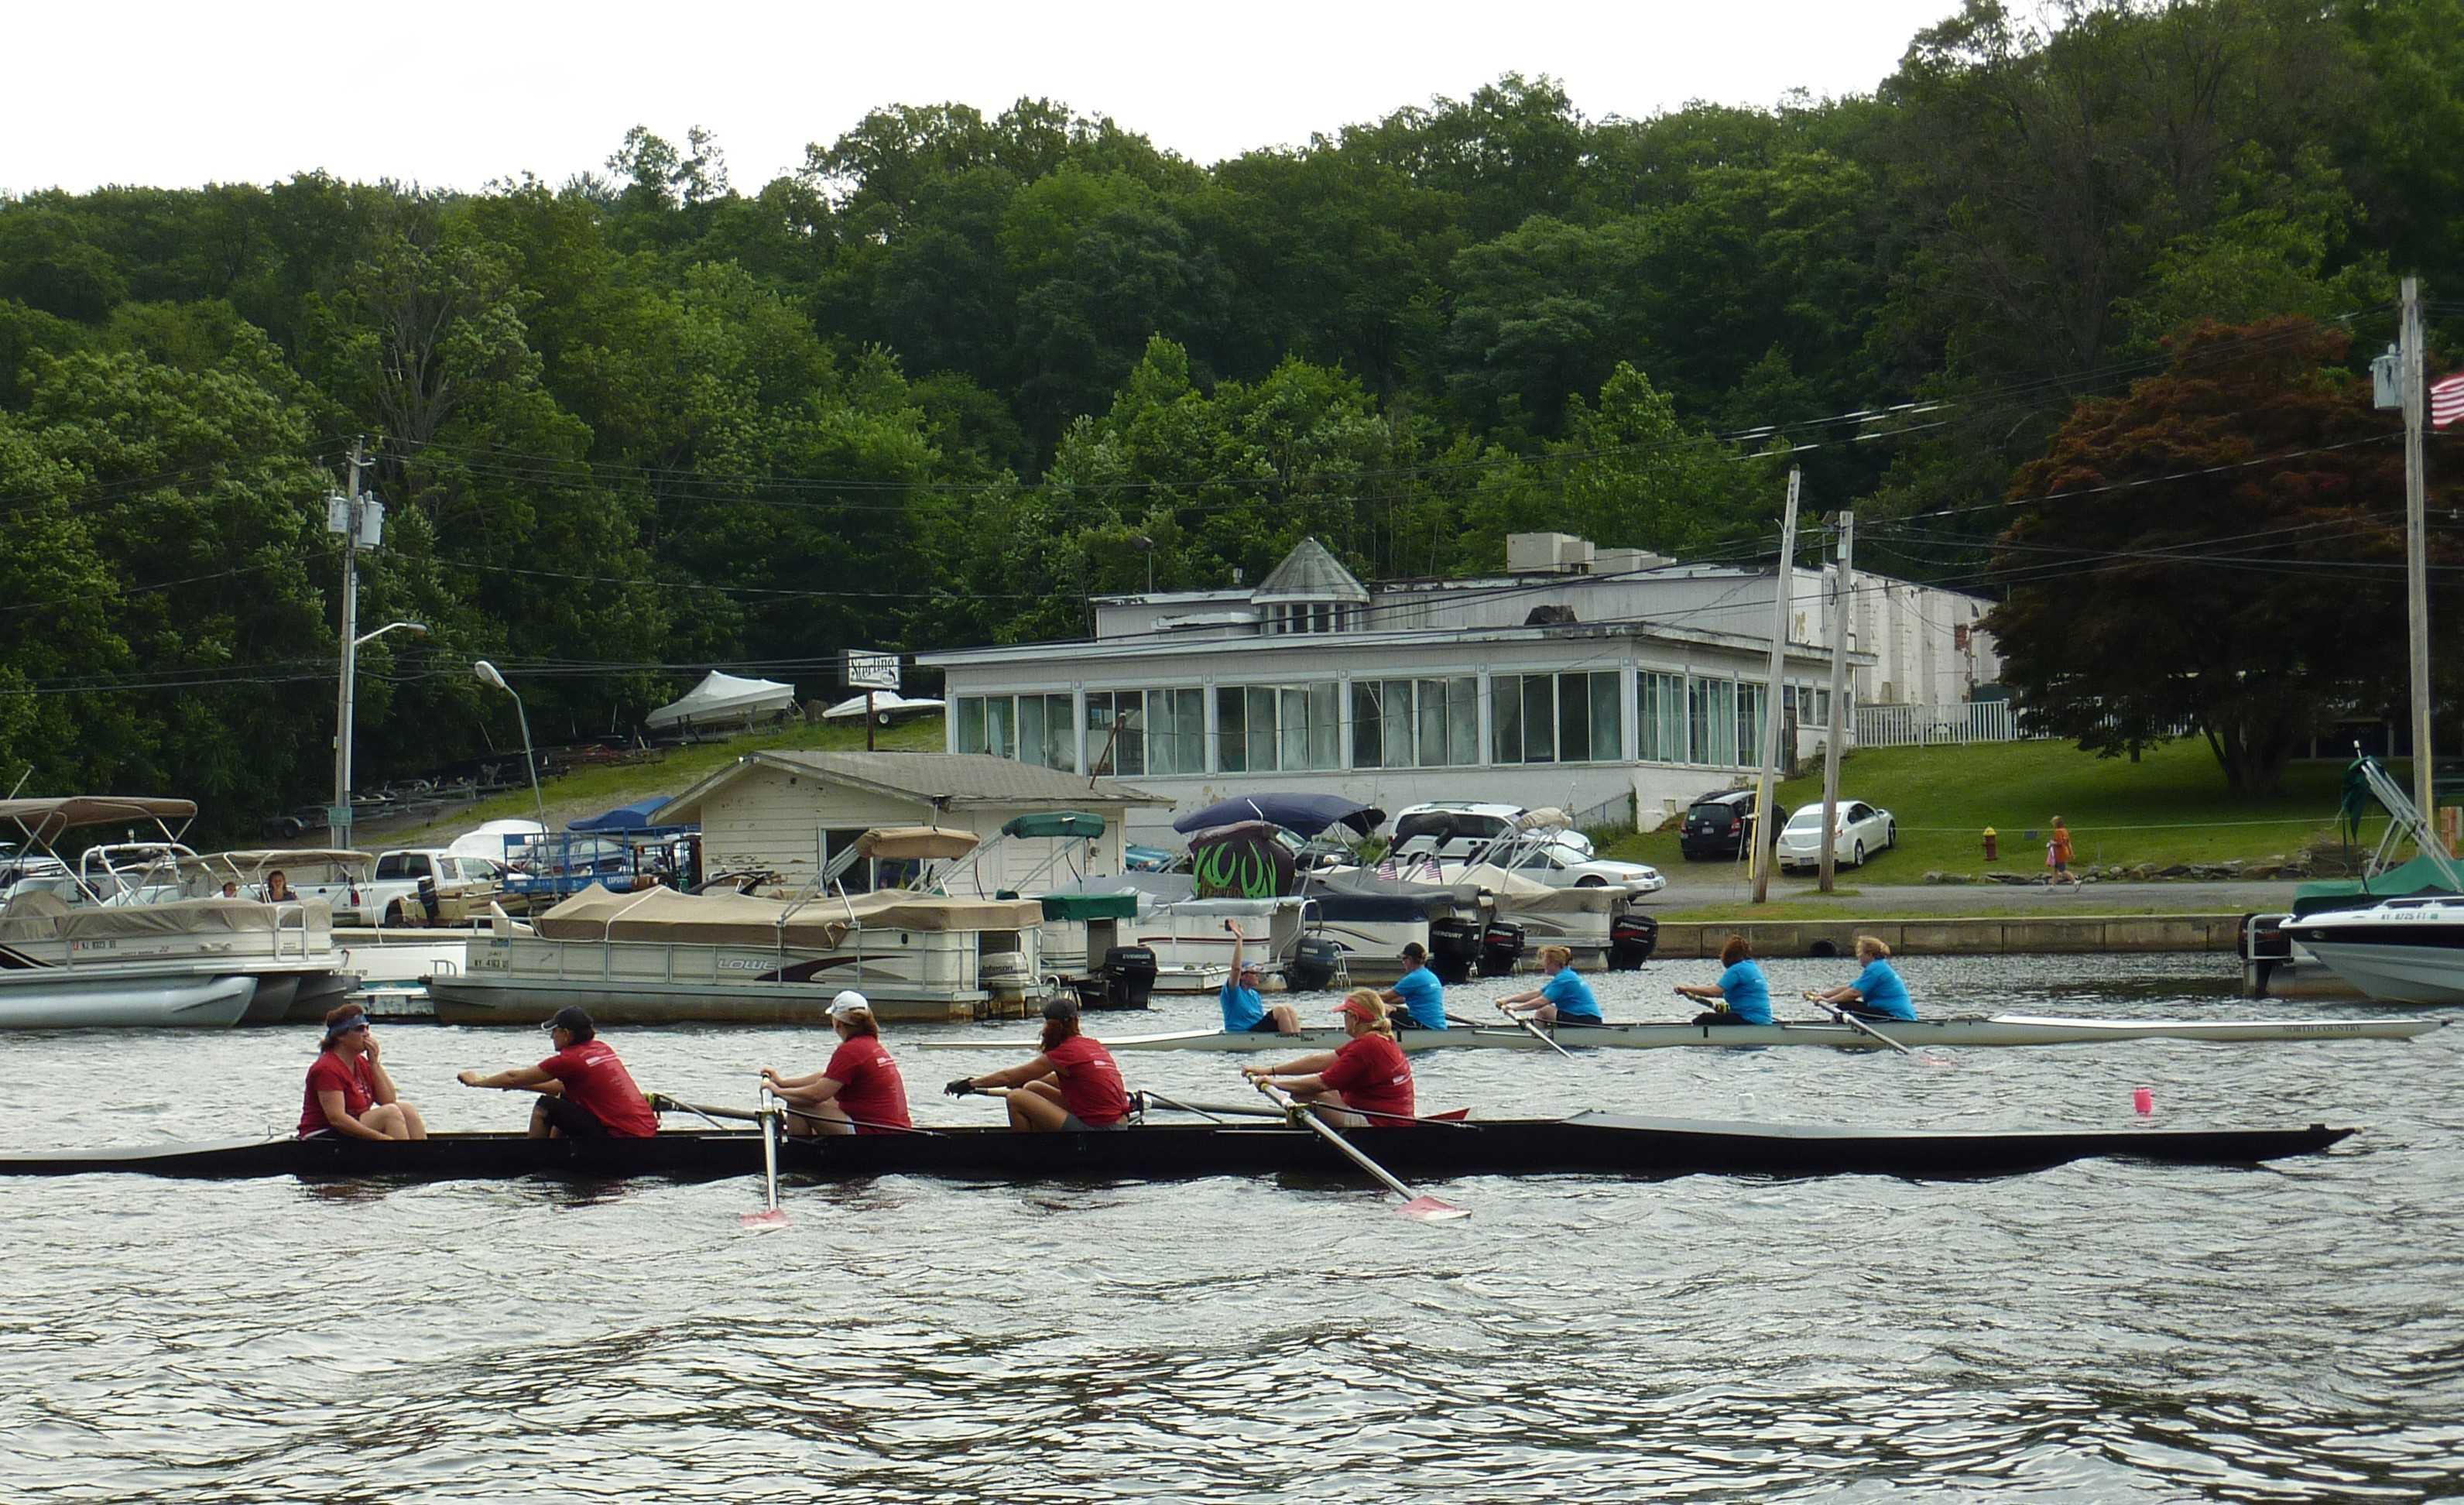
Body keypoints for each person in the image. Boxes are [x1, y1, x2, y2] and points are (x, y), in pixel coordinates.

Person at [457, 1006, 660, 1139]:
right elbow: (561, 1087)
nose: (552, 1037)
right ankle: (556, 1152)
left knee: (545, 1106)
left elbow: (513, 1077)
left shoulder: (571, 1059)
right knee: (566, 1098)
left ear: (566, 1034)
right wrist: (518, 1086)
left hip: (623, 1138)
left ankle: (534, 1162)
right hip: (643, 1131)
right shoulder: (601, 1048)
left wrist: (478, 1082)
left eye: (554, 1032)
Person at [944, 997, 1130, 1131]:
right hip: (1121, 1122)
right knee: (1032, 1087)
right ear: (1076, 1021)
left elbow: (1008, 1077)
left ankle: (1030, 1156)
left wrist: (970, 1083)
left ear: (1049, 1025)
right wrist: (1022, 1080)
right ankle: (1042, 1138)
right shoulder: (1092, 1045)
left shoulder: (1065, 1052)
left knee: (1016, 1098)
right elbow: (1046, 1079)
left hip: (1101, 1131)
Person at [1242, 989, 1415, 1129]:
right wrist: (1269, 1071)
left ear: (1354, 1018)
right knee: (1329, 1092)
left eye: (1345, 1014)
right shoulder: (1380, 1038)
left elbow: (1321, 1083)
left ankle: (1296, 1149)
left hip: (1381, 1126)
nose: (1344, 1019)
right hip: (1391, 1118)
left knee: (1302, 1095)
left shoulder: (1368, 1045)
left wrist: (1276, 1084)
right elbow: (1319, 1061)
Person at [760, 991, 911, 1136]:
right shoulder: (870, 1044)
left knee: (798, 1105)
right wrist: (782, 1083)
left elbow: (816, 1094)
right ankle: (813, 1142)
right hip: (893, 1129)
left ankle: (800, 1156)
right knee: (812, 1097)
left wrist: (779, 1092)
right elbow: (823, 1078)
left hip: (876, 1134)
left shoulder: (851, 1050)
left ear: (838, 1023)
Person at [297, 1005, 427, 1140]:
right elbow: (337, 1119)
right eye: (359, 1029)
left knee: (406, 1110)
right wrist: (381, 1138)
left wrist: (374, 1064)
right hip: (322, 1135)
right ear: (341, 1036)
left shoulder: (361, 1063)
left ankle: (423, 1157)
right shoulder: (327, 1068)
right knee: (390, 1114)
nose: (366, 1034)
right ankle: (403, 1158)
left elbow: (388, 1100)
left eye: (367, 1028)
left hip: (351, 1127)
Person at [1805, 935, 1917, 1021]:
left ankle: (1833, 1034)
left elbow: (1854, 993)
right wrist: (1821, 996)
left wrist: (1828, 1001)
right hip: (1890, 1014)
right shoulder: (1879, 966)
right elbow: (1849, 989)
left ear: (1870, 954)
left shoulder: (1876, 969)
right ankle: (1837, 1030)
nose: (1858, 956)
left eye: (1860, 953)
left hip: (1897, 1017)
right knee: (1845, 1004)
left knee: (1845, 1005)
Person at [1674, 934, 1773, 1026]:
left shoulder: (1737, 969)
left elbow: (1715, 992)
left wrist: (1687, 988)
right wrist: (1689, 993)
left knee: (1703, 1019)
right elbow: (1729, 994)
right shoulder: (1752, 967)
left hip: (1749, 1019)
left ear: (1729, 956)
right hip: (1764, 1020)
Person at [1220, 921, 1299, 1034]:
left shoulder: (1254, 995)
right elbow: (1236, 969)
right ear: (1243, 976)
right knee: (1281, 1010)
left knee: (1289, 1009)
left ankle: (1298, 1040)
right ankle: (1292, 1042)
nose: (1258, 976)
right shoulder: (1233, 992)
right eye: (1254, 973)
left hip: (1257, 1030)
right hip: (1242, 1032)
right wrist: (1239, 939)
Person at [1499, 944, 1605, 1027]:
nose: (1542, 964)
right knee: (1544, 1010)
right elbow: (1538, 994)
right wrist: (1508, 1000)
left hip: (1585, 1020)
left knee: (1544, 1011)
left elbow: (1542, 1001)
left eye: (1545, 961)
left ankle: (1537, 1040)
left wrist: (1516, 1009)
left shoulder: (1564, 979)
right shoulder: (1566, 975)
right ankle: (1541, 1031)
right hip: (1588, 1019)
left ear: (1555, 963)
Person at [1381, 941, 1448, 1031]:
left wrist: (1361, 999)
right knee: (1389, 1008)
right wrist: (1384, 1003)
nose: (1403, 962)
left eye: (1404, 959)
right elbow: (1402, 999)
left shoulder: (1414, 978)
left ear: (1410, 959)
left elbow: (1384, 997)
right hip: (1439, 1026)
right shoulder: (1431, 976)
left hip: (1423, 1026)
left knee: (1384, 1010)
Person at [2047, 817, 2078, 887]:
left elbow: (2060, 843)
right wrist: (2071, 852)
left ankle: (2075, 881)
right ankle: (2053, 885)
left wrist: (2052, 843)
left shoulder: (2058, 831)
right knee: (2055, 869)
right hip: (2064, 852)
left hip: (2059, 854)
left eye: (2053, 822)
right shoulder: (2065, 831)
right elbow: (2068, 842)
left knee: (2062, 870)